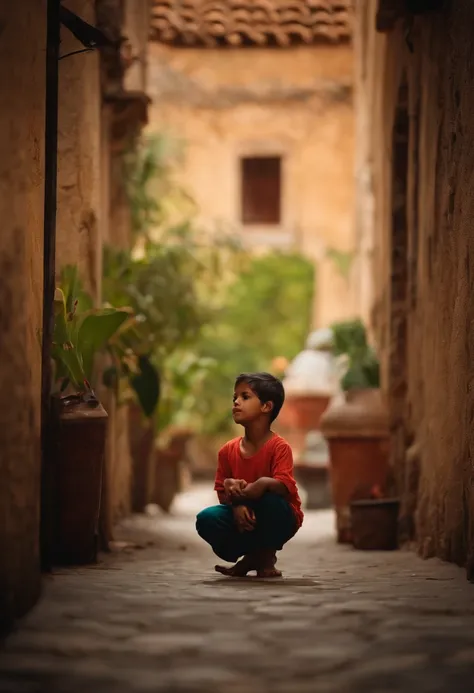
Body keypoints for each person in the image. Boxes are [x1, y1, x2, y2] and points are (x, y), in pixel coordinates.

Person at [196, 372, 303, 578]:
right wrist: (236, 503)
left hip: (277, 517)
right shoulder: (227, 451)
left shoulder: (279, 447)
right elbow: (222, 494)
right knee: (207, 518)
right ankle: (254, 556)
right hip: (242, 518)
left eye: (245, 397)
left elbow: (284, 487)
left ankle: (265, 554)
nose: (236, 402)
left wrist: (262, 484)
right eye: (234, 397)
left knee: (272, 502)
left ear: (266, 407)